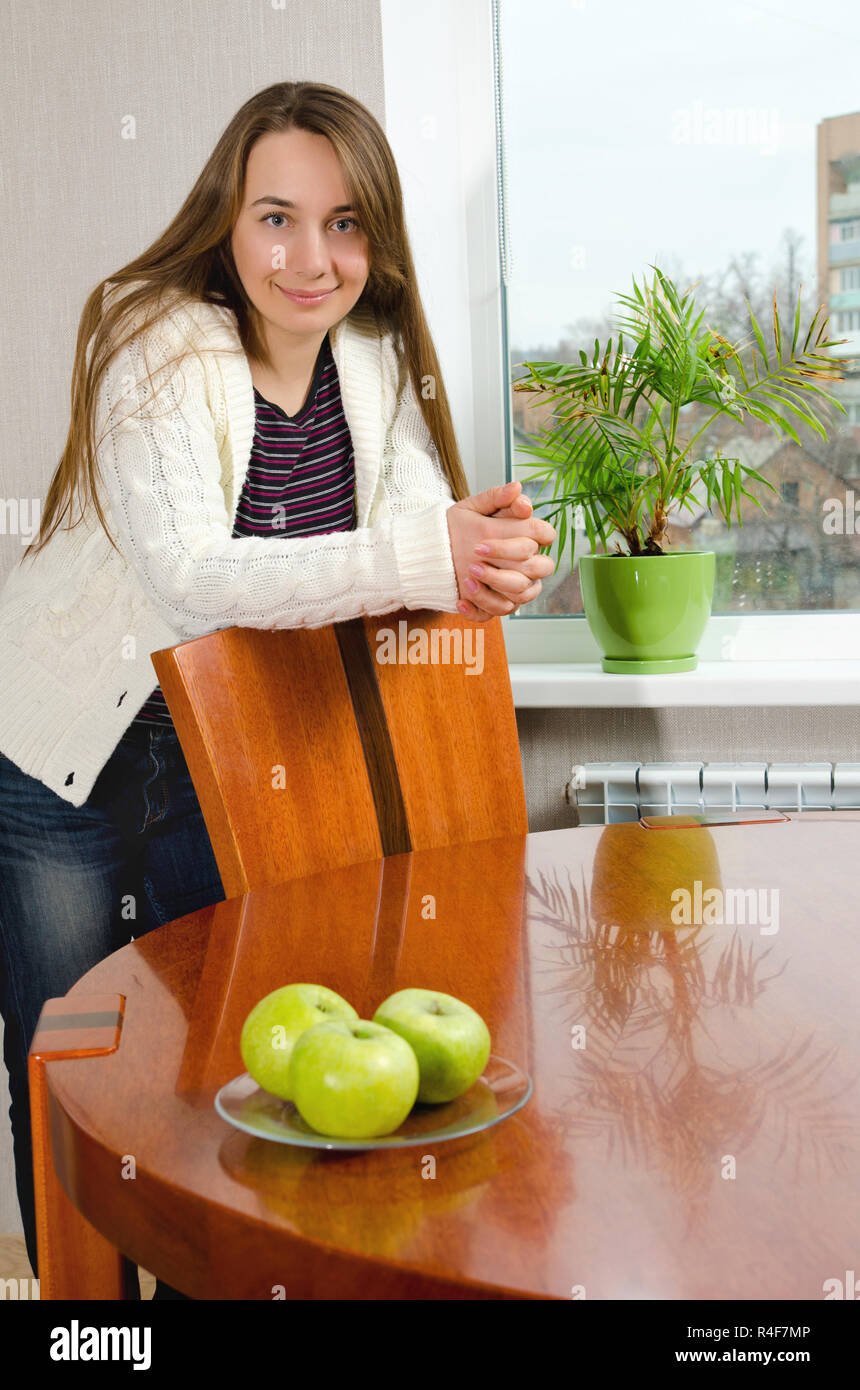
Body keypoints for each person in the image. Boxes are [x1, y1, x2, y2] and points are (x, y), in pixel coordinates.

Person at [0, 80, 555, 1300]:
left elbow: (420, 530)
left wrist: (491, 553)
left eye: (346, 223)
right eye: (277, 219)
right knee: (70, 1054)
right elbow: (192, 578)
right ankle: (88, 1325)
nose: (312, 258)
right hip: (60, 755)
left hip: (229, 751)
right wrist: (429, 551)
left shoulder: (371, 357)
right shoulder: (155, 335)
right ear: (226, 218)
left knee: (235, 1055)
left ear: (378, 238)